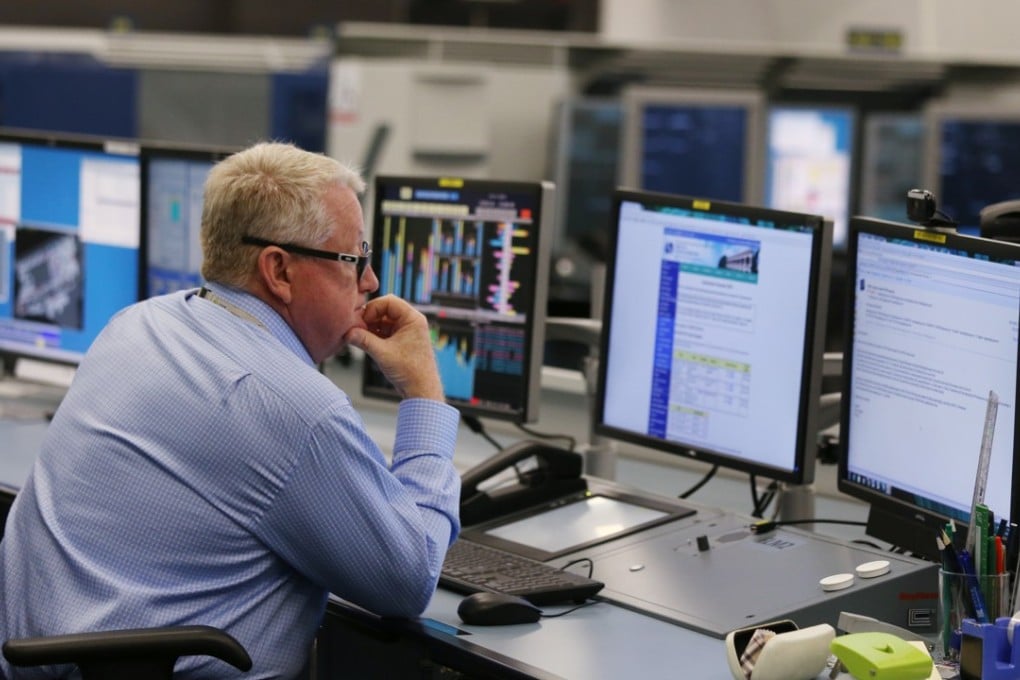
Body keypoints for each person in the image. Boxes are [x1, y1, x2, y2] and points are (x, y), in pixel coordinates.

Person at [0, 142, 461, 679]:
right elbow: (408, 580)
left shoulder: (135, 324)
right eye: (354, 259)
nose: (370, 282)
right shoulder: (295, 410)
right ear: (279, 271)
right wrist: (425, 393)